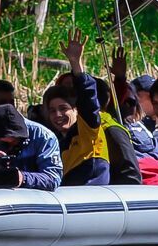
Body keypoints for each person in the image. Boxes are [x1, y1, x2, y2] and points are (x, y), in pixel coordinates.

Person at [42, 33, 112, 187]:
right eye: (52, 110)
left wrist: (76, 64)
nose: (58, 115)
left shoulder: (87, 129)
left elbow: (88, 100)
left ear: (76, 110)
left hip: (90, 201)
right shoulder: (57, 143)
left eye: (63, 108)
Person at [0, 103, 63, 191]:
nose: (10, 149)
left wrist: (23, 178)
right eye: (4, 144)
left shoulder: (44, 137)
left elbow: (53, 178)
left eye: (15, 143)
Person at [110, 48, 158, 129]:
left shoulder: (157, 122)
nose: (157, 101)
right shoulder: (126, 120)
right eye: (151, 96)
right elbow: (116, 101)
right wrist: (120, 77)